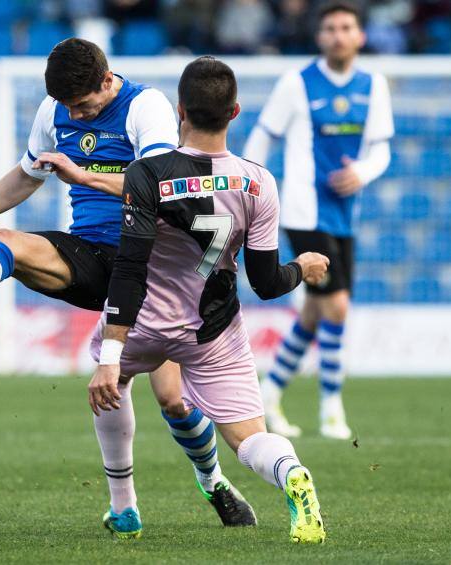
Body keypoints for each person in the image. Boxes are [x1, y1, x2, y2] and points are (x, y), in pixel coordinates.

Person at [0, 38, 255, 526]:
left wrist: (82, 175)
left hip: (153, 268)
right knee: (8, 240)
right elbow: (26, 176)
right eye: (69, 108)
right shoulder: (54, 111)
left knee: (171, 399)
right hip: (90, 255)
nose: (77, 116)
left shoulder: (145, 107)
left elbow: (161, 187)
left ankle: (213, 482)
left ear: (107, 82)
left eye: (83, 106)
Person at [88, 55, 330, 543]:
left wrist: (112, 358)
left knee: (110, 386)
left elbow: (131, 269)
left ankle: (124, 508)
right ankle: (290, 473)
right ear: (235, 112)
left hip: (146, 324)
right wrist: (302, 269)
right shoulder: (259, 181)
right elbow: (265, 282)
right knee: (248, 439)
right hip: (212, 330)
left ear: (180, 110)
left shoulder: (146, 173)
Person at [243, 1, 394, 440]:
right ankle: (331, 406)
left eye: (346, 27)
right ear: (319, 37)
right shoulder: (297, 83)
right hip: (303, 210)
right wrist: (250, 187)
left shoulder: (374, 86)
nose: (338, 34)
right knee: (337, 305)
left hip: (344, 214)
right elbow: (264, 134)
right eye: (330, 27)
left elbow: (381, 149)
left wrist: (361, 172)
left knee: (312, 311)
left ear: (360, 36)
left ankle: (269, 391)